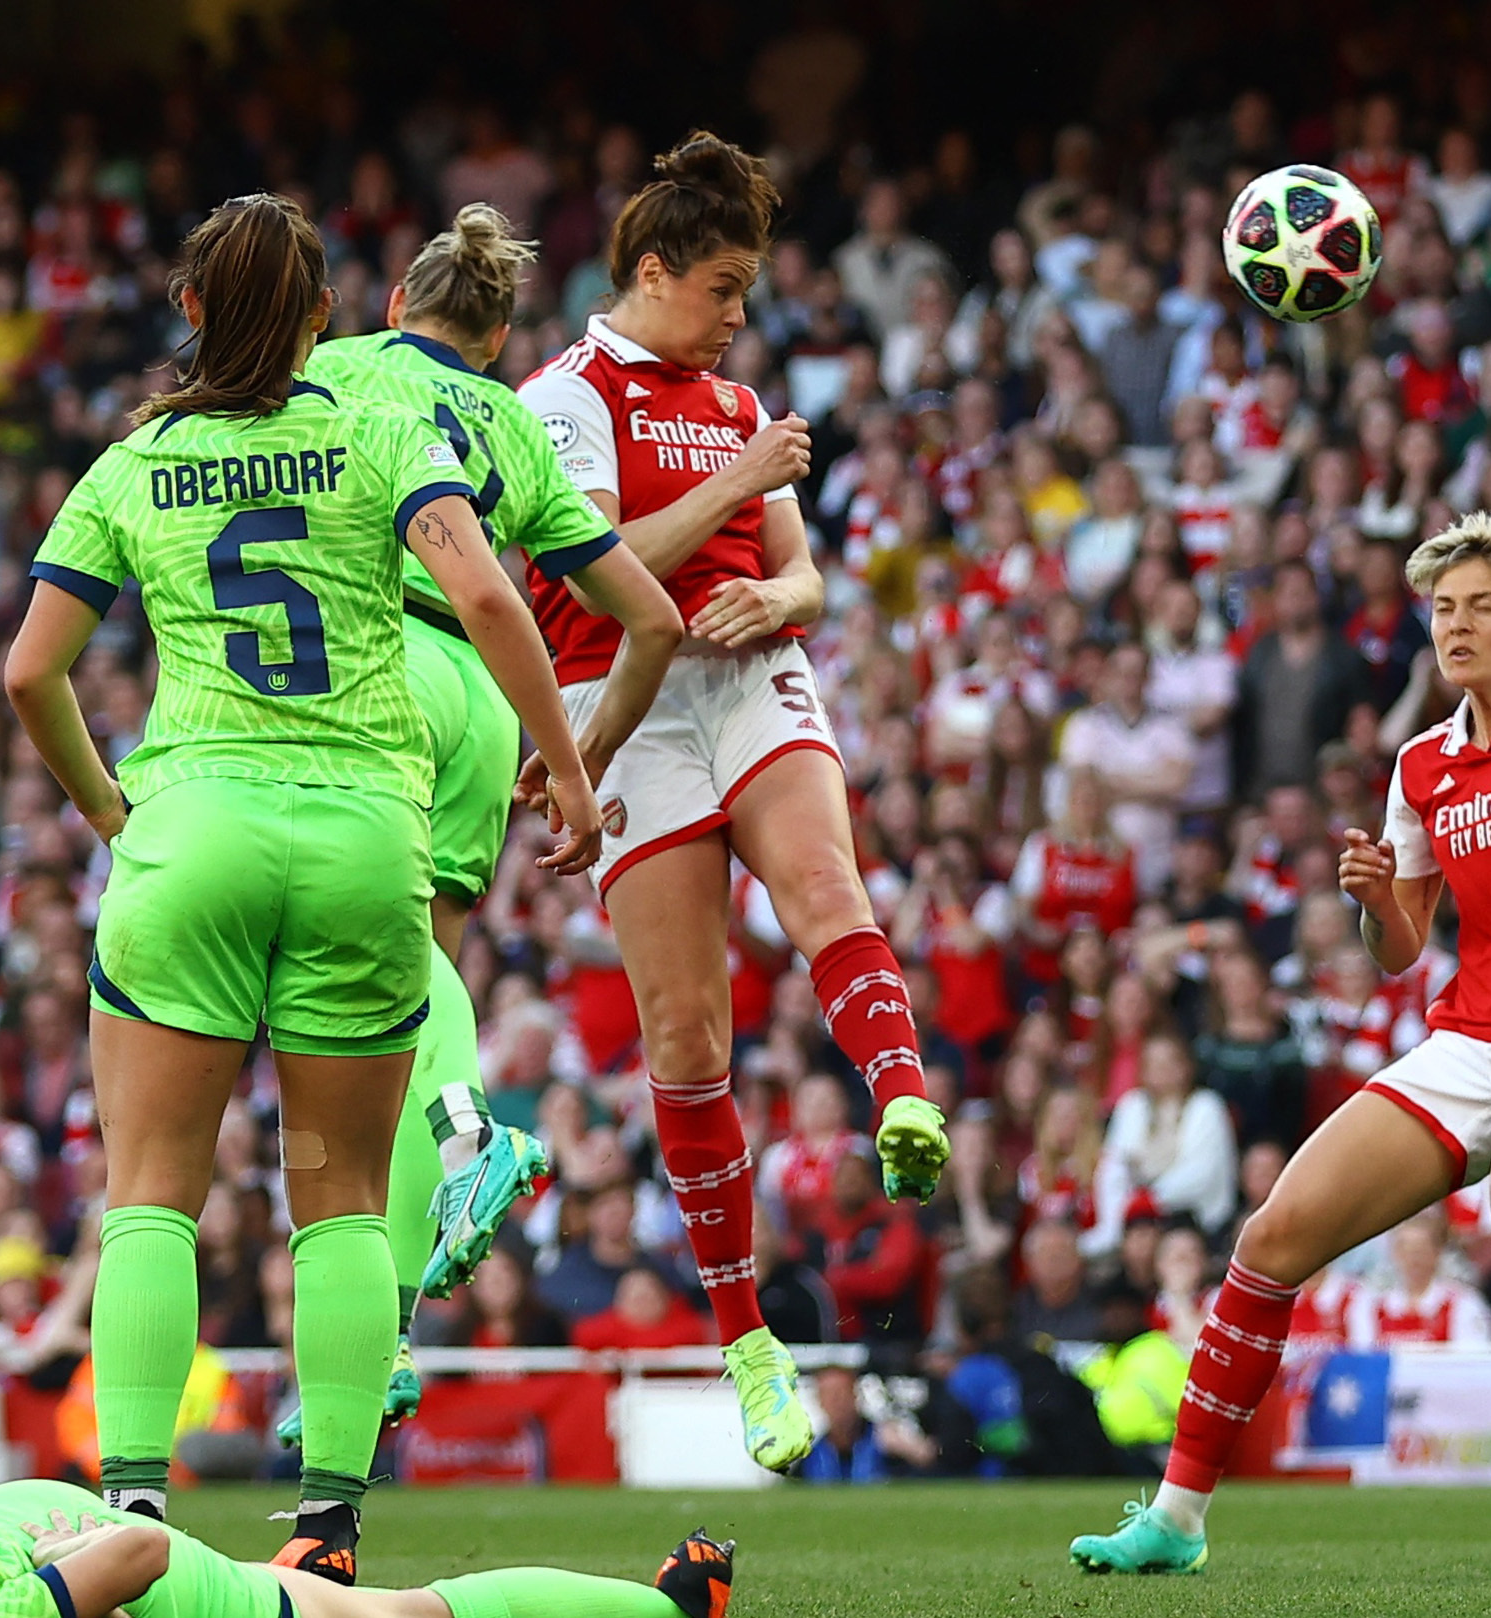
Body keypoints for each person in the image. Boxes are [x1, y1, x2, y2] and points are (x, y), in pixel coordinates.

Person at [6, 195, 598, 1580]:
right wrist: (566, 771)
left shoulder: (135, 458)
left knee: (152, 1191)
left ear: (191, 311)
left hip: (193, 827)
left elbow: (28, 670)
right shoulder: (383, 432)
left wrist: (107, 807)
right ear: (327, 318)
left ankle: (134, 1514)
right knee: (333, 1194)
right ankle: (328, 1528)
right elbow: (500, 603)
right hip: (357, 846)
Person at [1068, 512, 1491, 1580]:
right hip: (1468, 1037)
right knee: (1272, 1236)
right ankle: (1177, 1522)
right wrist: (1375, 902)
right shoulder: (1421, 764)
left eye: (1482, 608)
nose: (1457, 625)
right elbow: (1398, 950)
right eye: (1443, 609)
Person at [515, 132, 951, 1473]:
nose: (737, 316)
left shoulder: (729, 394)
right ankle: (747, 1337)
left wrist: (783, 592)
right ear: (651, 269)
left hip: (752, 674)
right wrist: (738, 479)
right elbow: (598, 571)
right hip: (620, 708)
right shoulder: (566, 397)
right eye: (720, 287)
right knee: (686, 1034)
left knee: (826, 885)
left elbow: (809, 574)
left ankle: (899, 1096)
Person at [299, 205, 682, 1437]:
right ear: (501, 333)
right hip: (486, 695)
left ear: (399, 309)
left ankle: (472, 1139)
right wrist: (581, 756)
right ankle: (391, 1334)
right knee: (406, 1007)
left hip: (377, 659)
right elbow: (654, 619)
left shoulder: (342, 366)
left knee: (348, 982)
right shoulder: (516, 422)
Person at [0, 1477, 735, 1618]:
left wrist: (61, 1567)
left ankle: (674, 1605)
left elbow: (140, 1548)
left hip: (170, 1579)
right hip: (69, 1531)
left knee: (409, 1614)